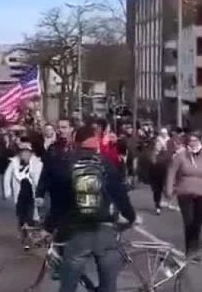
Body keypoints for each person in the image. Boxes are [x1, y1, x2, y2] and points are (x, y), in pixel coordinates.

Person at [40, 124, 136, 292]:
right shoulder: (105, 164)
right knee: (108, 283)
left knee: (68, 284)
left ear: (76, 142)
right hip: (105, 229)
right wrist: (131, 217)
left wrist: (48, 227)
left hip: (77, 232)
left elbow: (58, 203)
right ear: (95, 143)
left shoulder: (66, 165)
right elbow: (121, 195)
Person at [165, 131, 202, 255]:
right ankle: (190, 249)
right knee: (188, 221)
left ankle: (195, 247)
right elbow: (171, 173)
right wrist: (169, 189)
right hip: (185, 194)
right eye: (191, 141)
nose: (193, 143)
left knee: (197, 222)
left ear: (200, 142)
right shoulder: (179, 156)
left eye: (196, 141)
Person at [3, 142, 43, 250]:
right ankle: (23, 234)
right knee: (21, 216)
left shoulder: (37, 163)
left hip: (32, 194)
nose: (24, 154)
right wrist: (8, 191)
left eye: (27, 152)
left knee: (30, 217)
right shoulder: (14, 163)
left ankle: (28, 239)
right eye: (22, 152)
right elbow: (7, 176)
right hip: (20, 194)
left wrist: (41, 193)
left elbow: (40, 179)